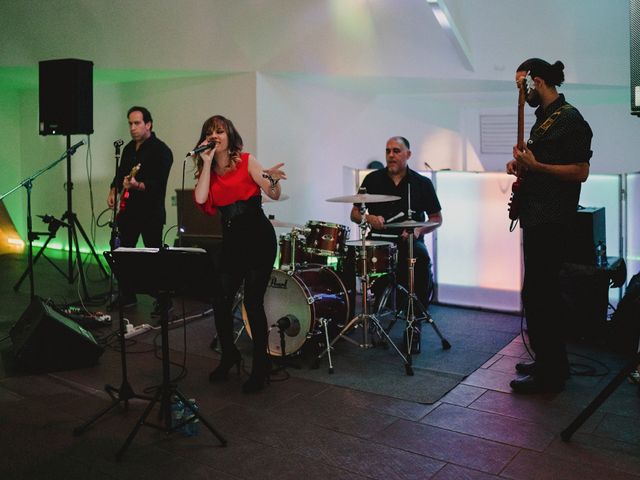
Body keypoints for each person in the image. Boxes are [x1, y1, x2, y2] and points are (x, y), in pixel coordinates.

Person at [506, 58, 593, 394]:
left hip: (553, 220)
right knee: (539, 294)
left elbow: (580, 171)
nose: (521, 94)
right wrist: (523, 165)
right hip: (537, 215)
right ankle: (549, 361)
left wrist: (537, 165)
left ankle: (551, 374)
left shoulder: (569, 118)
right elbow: (541, 166)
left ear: (537, 81)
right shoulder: (544, 120)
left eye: (522, 86)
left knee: (541, 295)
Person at [193, 115, 286, 394]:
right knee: (220, 300)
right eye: (210, 132)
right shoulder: (206, 169)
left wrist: (272, 179)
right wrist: (207, 162)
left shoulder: (247, 161)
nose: (215, 136)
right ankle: (229, 355)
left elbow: (274, 191)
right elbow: (200, 199)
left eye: (220, 131)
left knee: (252, 303)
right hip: (232, 242)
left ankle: (261, 365)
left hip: (258, 239)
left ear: (229, 135)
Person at [350, 136, 442, 352]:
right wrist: (369, 219)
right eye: (388, 151)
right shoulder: (372, 179)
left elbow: (436, 219)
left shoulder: (422, 183)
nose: (391, 155)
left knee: (421, 260)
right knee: (350, 259)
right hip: (379, 241)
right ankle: (362, 317)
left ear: (407, 154)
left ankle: (414, 325)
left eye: (396, 151)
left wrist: (418, 229)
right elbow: (354, 212)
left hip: (409, 241)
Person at [107, 106, 173, 310]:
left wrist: (138, 185)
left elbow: (159, 183)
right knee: (124, 253)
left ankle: (163, 300)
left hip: (150, 213)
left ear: (148, 124)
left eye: (137, 123)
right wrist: (113, 190)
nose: (133, 128)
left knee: (153, 257)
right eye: (130, 123)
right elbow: (120, 174)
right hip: (129, 212)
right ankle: (128, 295)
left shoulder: (161, 150)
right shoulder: (128, 149)